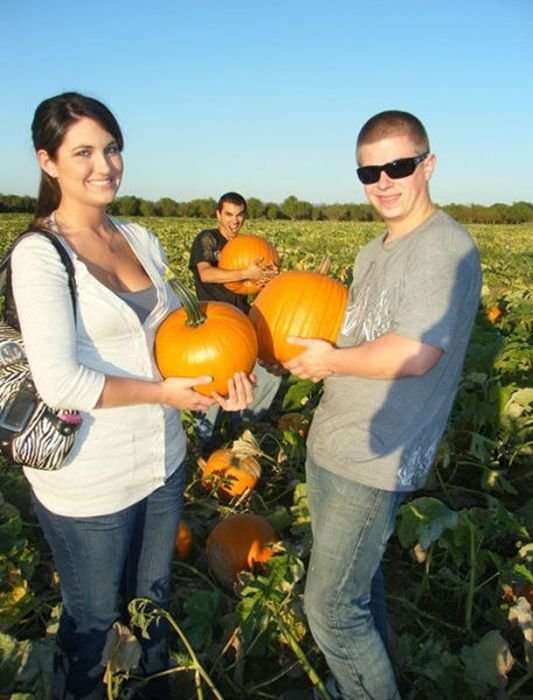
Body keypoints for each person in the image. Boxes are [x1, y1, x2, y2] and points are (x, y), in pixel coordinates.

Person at [10, 92, 254, 700]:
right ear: (47, 161)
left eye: (112, 148)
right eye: (84, 152)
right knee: (93, 620)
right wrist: (162, 392)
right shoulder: (41, 255)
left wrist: (220, 381)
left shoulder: (142, 238)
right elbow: (61, 382)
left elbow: (175, 341)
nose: (105, 165)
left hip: (162, 461)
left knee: (153, 607)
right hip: (90, 477)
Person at [282, 111, 482, 699]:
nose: (384, 181)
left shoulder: (444, 247)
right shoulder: (373, 251)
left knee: (331, 609)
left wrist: (331, 361)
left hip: (376, 455)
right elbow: (354, 337)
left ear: (429, 165)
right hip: (334, 439)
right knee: (360, 591)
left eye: (398, 165)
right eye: (369, 172)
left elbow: (417, 353)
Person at [189, 192, 282, 442]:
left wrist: (267, 278)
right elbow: (206, 274)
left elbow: (255, 286)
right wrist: (245, 272)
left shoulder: (247, 245)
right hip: (213, 321)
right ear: (218, 214)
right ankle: (202, 439)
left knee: (269, 369)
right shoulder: (208, 239)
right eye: (229, 214)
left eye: (239, 215)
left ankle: (245, 427)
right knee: (213, 382)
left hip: (242, 319)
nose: (234, 221)